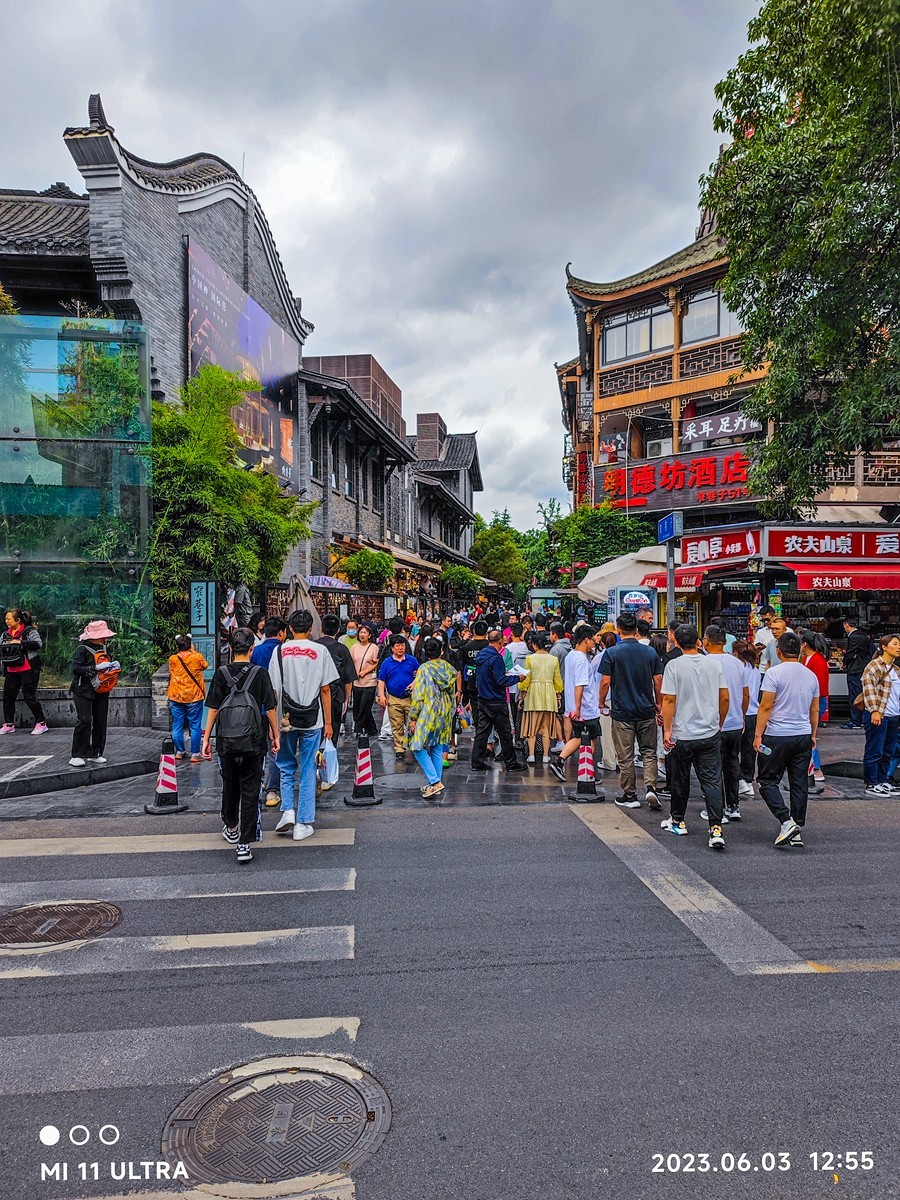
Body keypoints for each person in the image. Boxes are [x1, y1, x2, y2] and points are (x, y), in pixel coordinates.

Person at [201, 627, 278, 864]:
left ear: (231, 649)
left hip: (226, 740)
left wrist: (206, 738)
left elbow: (213, 708)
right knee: (251, 789)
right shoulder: (261, 673)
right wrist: (275, 735)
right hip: (254, 740)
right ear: (252, 649)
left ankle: (231, 827)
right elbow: (271, 708)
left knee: (230, 784)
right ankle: (244, 844)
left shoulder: (221, 673)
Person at [268, 610, 339, 841]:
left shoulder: (279, 651)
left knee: (286, 765)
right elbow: (326, 689)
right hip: (313, 719)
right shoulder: (320, 651)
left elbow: (274, 692)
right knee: (308, 767)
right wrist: (329, 722)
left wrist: (273, 725)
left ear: (289, 628)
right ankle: (303, 822)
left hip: (285, 719)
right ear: (310, 629)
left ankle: (288, 809)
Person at [660, 624, 729, 849]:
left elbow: (669, 700)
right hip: (709, 732)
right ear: (699, 641)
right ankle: (716, 828)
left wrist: (667, 730)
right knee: (711, 780)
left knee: (680, 779)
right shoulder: (713, 664)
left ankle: (678, 821)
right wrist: (719, 722)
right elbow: (725, 698)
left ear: (676, 642)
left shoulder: (673, 665)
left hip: (682, 733)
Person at [753, 631, 821, 846]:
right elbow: (815, 709)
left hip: (777, 735)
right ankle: (796, 826)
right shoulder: (811, 675)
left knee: (767, 780)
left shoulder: (774, 673)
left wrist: (757, 735)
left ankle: (785, 820)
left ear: (778, 651)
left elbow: (765, 706)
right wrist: (813, 734)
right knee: (799, 782)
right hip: (802, 734)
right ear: (800, 649)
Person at [597, 612, 663, 810]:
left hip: (622, 710)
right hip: (646, 709)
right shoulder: (650, 652)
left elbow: (605, 682)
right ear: (636, 630)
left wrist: (601, 702)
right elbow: (658, 680)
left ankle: (630, 794)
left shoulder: (612, 653)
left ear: (618, 631)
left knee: (625, 755)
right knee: (649, 751)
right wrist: (658, 703)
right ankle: (651, 787)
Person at [702, 625, 749, 822]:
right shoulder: (737, 663)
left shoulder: (704, 662)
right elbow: (746, 694)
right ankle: (734, 805)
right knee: (732, 764)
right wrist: (742, 716)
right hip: (736, 723)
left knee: (713, 768)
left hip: (713, 723)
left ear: (706, 641)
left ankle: (717, 809)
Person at [549, 626, 601, 781]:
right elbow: (580, 685)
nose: (594, 643)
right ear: (586, 639)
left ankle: (560, 762)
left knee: (578, 737)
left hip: (574, 705)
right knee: (591, 740)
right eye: (592, 639)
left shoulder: (571, 656)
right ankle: (587, 772)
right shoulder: (581, 659)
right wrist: (578, 707)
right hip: (586, 708)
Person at [408, 637, 458, 798]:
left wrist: (414, 717)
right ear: (441, 651)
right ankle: (435, 783)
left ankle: (434, 781)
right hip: (445, 711)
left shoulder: (424, 669)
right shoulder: (449, 668)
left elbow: (418, 695)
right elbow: (453, 694)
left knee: (417, 746)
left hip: (428, 711)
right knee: (436, 746)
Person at [471, 630, 527, 773]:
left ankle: (477, 761)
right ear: (501, 641)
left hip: (483, 699)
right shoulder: (496, 658)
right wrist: (517, 678)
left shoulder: (482, 656)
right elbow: (500, 680)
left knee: (482, 732)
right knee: (505, 733)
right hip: (496, 700)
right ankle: (511, 762)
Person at [69, 619, 120, 768]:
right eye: (102, 635)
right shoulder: (82, 649)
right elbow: (76, 669)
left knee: (100, 721)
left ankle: (96, 752)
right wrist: (95, 667)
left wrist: (112, 667)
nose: (105, 638)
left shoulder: (104, 649)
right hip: (83, 690)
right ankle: (78, 754)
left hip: (101, 690)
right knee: (84, 720)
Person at [251, 617, 288, 806]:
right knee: (276, 747)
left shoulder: (255, 651)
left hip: (256, 709)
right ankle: (273, 790)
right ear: (281, 633)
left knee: (259, 749)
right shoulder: (284, 651)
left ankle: (259, 783)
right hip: (277, 707)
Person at [860, 633, 900, 796]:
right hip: (878, 715)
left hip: (893, 715)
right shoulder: (874, 666)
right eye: (895, 644)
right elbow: (869, 691)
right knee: (875, 749)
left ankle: (883, 780)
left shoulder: (896, 669)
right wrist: (874, 711)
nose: (898, 647)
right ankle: (871, 783)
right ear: (884, 647)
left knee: (887, 750)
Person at [0, 607, 47, 735]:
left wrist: (21, 642)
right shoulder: (5, 634)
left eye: (9, 618)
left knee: (29, 696)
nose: (7, 621)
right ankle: (9, 724)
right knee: (8, 697)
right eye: (6, 619)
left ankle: (41, 722)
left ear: (18, 620)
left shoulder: (29, 631)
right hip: (11, 669)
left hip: (28, 669)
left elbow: (38, 644)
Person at [518, 632, 563, 764]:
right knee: (546, 727)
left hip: (534, 693)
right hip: (549, 694)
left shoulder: (530, 659)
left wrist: (522, 696)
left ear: (535, 645)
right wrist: (558, 696)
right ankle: (545, 755)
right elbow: (558, 680)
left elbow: (526, 680)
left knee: (532, 726)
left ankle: (531, 755)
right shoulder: (553, 659)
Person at [166, 634, 209, 763]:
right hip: (194, 696)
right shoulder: (197, 657)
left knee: (177, 725)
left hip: (176, 695)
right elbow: (205, 665)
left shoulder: (173, 659)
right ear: (190, 645)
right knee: (195, 726)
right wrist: (193, 651)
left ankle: (180, 751)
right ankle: (195, 754)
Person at [377, 635, 420, 760]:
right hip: (394, 698)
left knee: (412, 723)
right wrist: (382, 695)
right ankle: (399, 748)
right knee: (396, 725)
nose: (400, 648)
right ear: (392, 648)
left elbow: (419, 675)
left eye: (402, 645)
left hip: (410, 698)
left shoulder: (412, 661)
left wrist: (414, 683)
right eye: (398, 646)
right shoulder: (386, 663)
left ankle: (413, 745)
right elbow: (381, 680)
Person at [317, 614, 357, 744]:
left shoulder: (313, 646)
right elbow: (348, 679)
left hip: (313, 696)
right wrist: (346, 699)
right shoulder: (342, 649)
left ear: (321, 628)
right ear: (338, 630)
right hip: (336, 696)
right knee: (332, 734)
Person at [800, 629, 831, 785]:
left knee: (810, 733)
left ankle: (816, 767)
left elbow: (817, 685)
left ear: (805, 644)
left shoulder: (817, 660)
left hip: (816, 700)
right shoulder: (807, 658)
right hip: (812, 699)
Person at [733, 639, 761, 798]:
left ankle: (740, 781)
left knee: (733, 750)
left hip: (740, 712)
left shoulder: (738, 669)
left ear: (737, 653)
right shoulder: (755, 670)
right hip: (753, 713)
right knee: (749, 750)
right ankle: (748, 781)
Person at [841, 616, 872, 729]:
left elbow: (851, 652)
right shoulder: (863, 635)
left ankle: (856, 721)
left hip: (855, 668)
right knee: (861, 693)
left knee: (854, 694)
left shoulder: (853, 637)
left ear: (846, 625)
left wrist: (844, 662)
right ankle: (863, 719)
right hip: (863, 667)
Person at [350, 622, 381, 736]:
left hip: (369, 681)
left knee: (365, 706)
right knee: (358, 706)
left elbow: (375, 663)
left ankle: (358, 729)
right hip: (356, 682)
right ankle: (372, 729)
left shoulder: (374, 648)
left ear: (369, 635)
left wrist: (364, 672)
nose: (362, 635)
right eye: (361, 633)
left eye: (365, 633)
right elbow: (351, 662)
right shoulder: (354, 648)